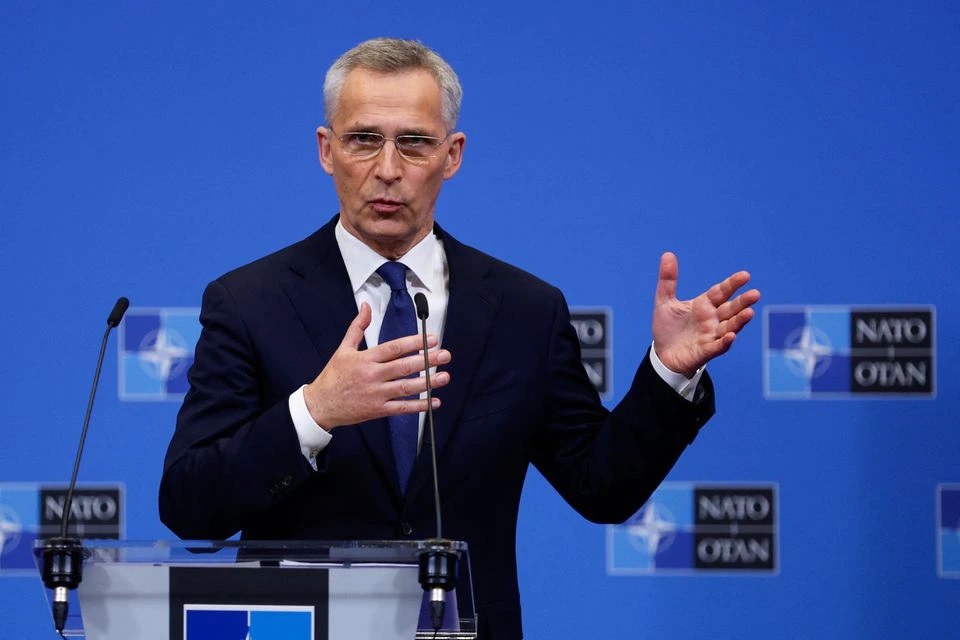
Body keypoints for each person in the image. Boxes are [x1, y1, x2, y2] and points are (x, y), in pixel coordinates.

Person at [159, 37, 760, 639]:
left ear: (453, 155)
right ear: (326, 149)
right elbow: (189, 503)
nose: (387, 169)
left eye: (415, 143)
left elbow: (601, 487)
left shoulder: (525, 309)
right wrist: (314, 413)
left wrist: (669, 372)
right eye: (364, 139)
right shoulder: (248, 302)